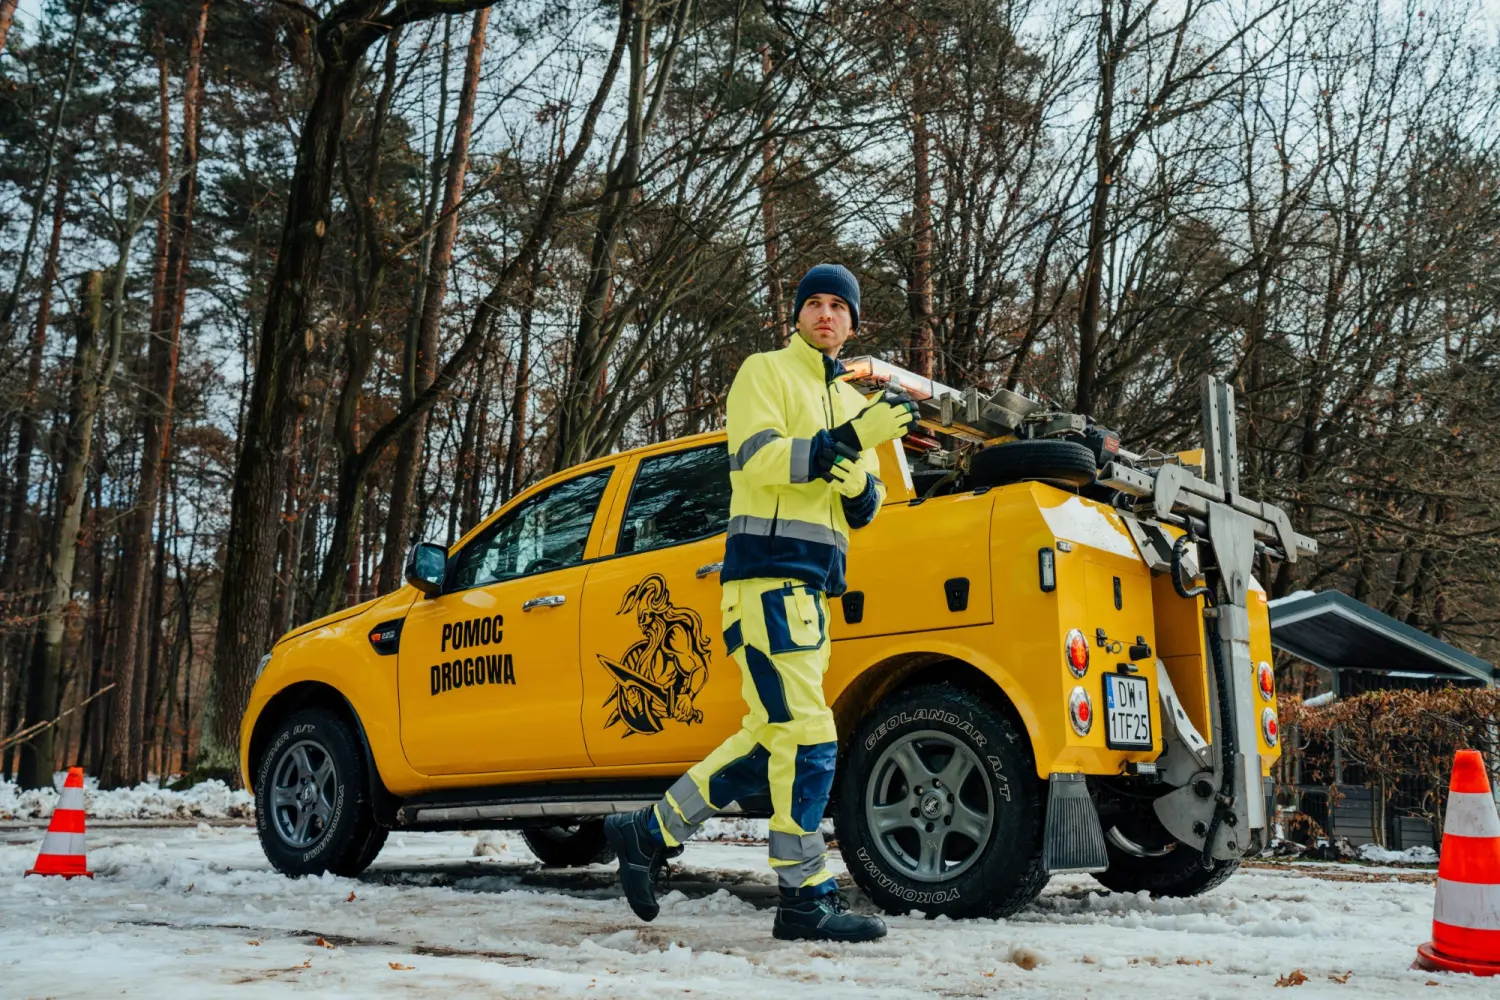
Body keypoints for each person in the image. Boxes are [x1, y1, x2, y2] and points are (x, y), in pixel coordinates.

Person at [604, 263, 918, 942]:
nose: (827, 314)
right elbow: (757, 458)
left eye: (839, 306)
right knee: (810, 737)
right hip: (767, 582)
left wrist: (859, 484)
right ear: (797, 314)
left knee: (770, 737)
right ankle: (803, 897)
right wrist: (849, 443)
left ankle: (647, 830)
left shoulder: (852, 401)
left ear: (852, 322)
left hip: (812, 592)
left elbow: (868, 504)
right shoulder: (764, 372)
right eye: (816, 303)